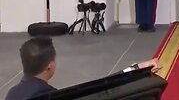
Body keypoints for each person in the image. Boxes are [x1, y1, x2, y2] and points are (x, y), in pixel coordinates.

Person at [5, 36, 161, 100]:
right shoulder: (49, 95)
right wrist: (138, 72)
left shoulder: (12, 94)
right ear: (50, 66)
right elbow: (102, 92)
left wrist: (135, 69)